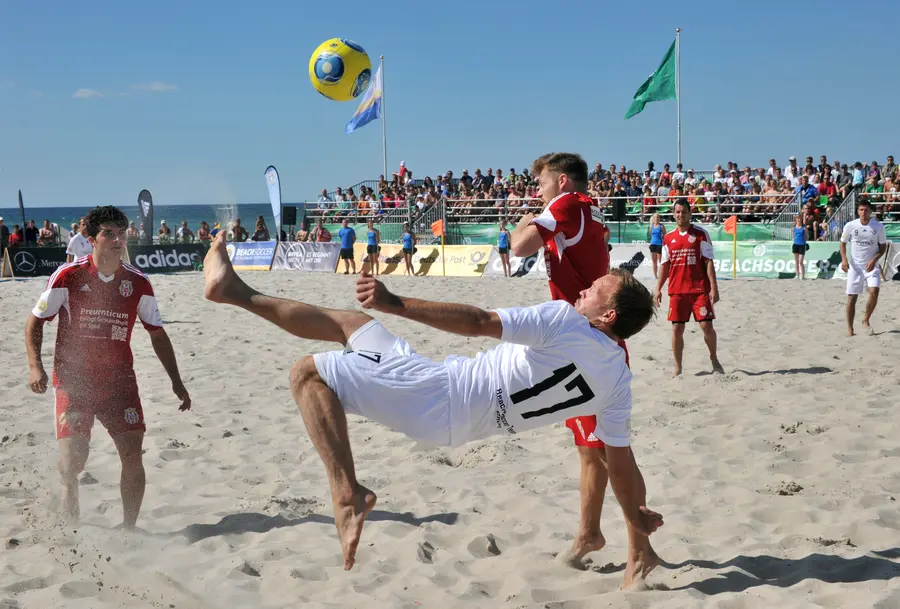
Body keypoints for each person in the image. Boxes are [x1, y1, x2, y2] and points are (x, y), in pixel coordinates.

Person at [201, 231, 663, 582]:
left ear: (607, 316)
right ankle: (233, 290)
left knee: (307, 373)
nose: (584, 290)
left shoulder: (566, 321)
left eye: (596, 290)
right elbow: (619, 462)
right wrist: (634, 514)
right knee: (351, 323)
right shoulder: (618, 379)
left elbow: (478, 322)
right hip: (451, 413)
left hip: (438, 392)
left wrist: (395, 302)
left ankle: (347, 494)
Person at [509, 152, 656, 583]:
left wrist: (528, 216)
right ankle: (589, 534)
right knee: (591, 451)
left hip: (591, 346)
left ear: (559, 180)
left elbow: (518, 247)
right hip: (582, 345)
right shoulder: (585, 210)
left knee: (615, 455)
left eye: (540, 184)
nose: (538, 191)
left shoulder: (566, 204)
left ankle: (642, 551)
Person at [24, 205, 192, 529]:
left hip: (118, 383)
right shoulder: (68, 277)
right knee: (74, 460)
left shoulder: (138, 283)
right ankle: (69, 505)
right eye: (108, 233)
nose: (117, 240)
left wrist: (176, 381)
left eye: (122, 233)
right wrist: (35, 366)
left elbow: (157, 334)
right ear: (91, 239)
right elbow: (35, 322)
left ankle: (129, 530)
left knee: (132, 452)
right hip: (74, 381)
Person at [653, 200, 723, 377]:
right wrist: (658, 288)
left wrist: (714, 287)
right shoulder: (668, 238)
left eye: (683, 212)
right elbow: (665, 266)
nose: (680, 215)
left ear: (690, 213)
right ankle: (678, 368)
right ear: (674, 214)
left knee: (706, 326)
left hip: (699, 289)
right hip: (677, 291)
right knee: (677, 329)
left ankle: (714, 359)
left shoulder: (701, 234)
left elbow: (708, 262)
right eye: (677, 212)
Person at [840, 200, 887, 336]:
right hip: (855, 267)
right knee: (852, 298)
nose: (863, 212)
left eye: (866, 210)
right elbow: (842, 244)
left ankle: (865, 319)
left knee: (874, 291)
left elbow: (883, 247)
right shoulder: (850, 225)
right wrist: (844, 260)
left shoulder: (878, 226)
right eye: (861, 210)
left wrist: (874, 259)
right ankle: (850, 329)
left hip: (871, 266)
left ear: (870, 211)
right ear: (857, 211)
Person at [648, 213, 667, 279]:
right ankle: (655, 275)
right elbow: (651, 236)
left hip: (659, 245)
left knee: (660, 261)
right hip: (653, 245)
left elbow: (665, 236)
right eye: (656, 217)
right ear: (654, 218)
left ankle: (662, 275)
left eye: (658, 217)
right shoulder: (651, 226)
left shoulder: (661, 226)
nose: (658, 218)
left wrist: (664, 244)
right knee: (654, 262)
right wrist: (650, 243)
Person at [792, 214, 807, 280]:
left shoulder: (804, 227)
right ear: (796, 219)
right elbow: (793, 236)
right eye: (797, 218)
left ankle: (803, 276)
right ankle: (797, 275)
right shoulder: (794, 228)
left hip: (802, 245)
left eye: (800, 218)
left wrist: (805, 243)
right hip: (795, 245)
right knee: (796, 261)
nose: (799, 219)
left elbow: (807, 236)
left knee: (801, 261)